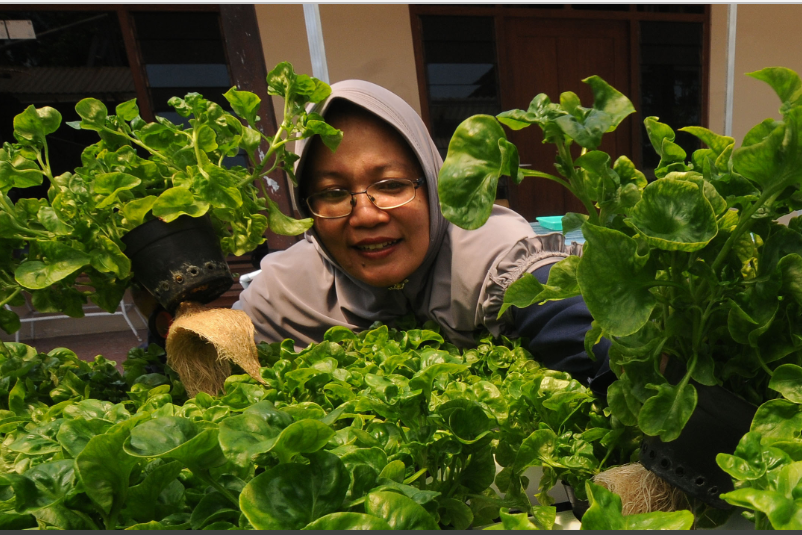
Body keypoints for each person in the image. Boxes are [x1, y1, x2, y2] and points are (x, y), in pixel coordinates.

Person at [235, 80, 612, 395]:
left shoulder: (492, 252)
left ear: (432, 184)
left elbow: (575, 325)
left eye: (392, 185)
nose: (366, 215)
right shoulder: (287, 291)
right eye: (332, 193)